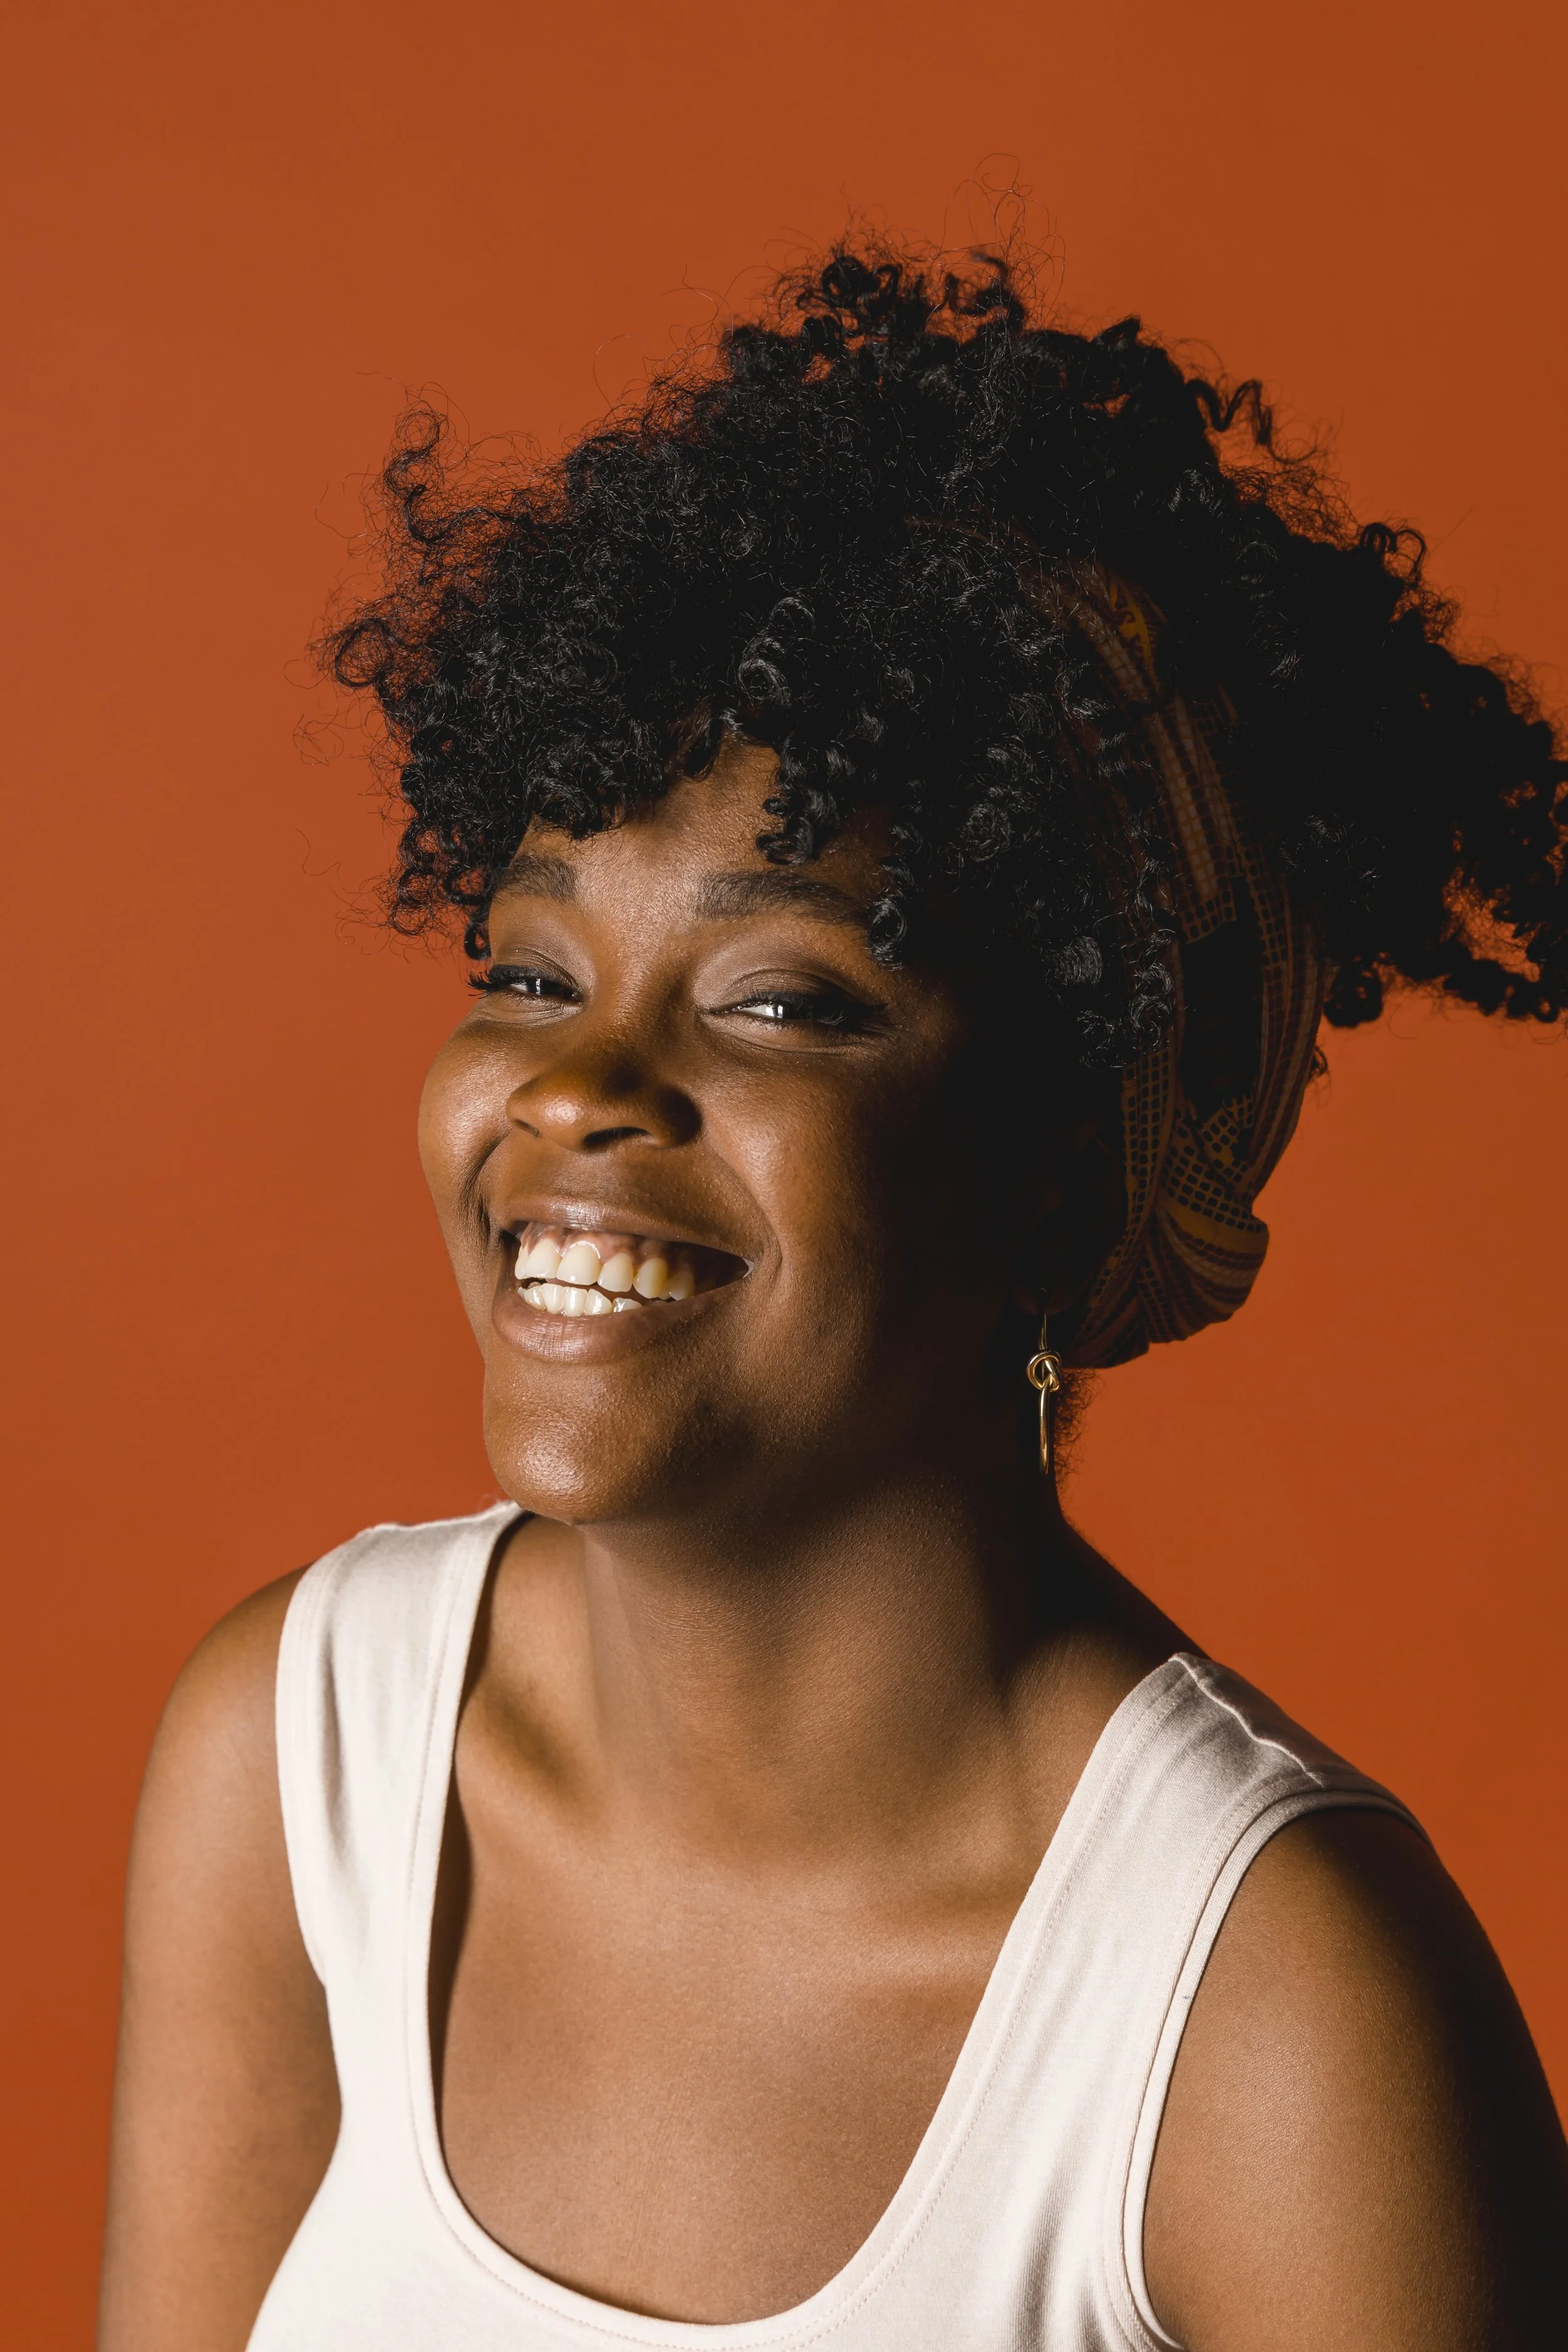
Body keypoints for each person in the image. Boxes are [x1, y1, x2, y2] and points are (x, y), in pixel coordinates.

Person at [99, 248, 1568, 2352]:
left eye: (781, 998)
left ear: (1064, 1156)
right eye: (526, 972)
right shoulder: (303, 1755)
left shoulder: (1257, 2011)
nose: (579, 1087)